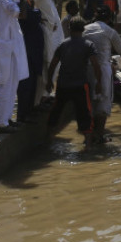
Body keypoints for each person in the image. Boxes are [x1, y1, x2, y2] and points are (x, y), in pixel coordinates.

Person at [46, 16, 102, 150]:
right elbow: (96, 65)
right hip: (80, 86)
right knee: (85, 113)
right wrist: (99, 82)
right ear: (83, 29)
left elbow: (52, 65)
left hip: (63, 85)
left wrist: (49, 81)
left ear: (69, 29)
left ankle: (47, 141)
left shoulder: (63, 45)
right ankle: (88, 145)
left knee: (56, 111)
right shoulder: (88, 45)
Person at [84, 6, 121, 142]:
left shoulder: (85, 29)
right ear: (108, 18)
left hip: (86, 69)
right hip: (102, 69)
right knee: (103, 100)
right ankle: (99, 135)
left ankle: (90, 134)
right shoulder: (109, 31)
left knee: (89, 100)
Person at [0, 0, 29, 133]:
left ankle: (7, 119)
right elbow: (21, 14)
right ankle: (0, 123)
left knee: (13, 85)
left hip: (13, 50)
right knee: (4, 86)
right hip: (6, 51)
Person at [16, 0, 46, 124]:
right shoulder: (21, 4)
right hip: (28, 50)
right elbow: (31, 17)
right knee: (26, 84)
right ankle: (23, 114)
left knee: (34, 81)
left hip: (34, 50)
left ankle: (30, 109)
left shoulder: (27, 4)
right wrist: (35, 11)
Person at [32, 0, 62, 105]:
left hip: (53, 34)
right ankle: (44, 96)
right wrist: (44, 20)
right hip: (49, 34)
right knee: (50, 64)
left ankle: (45, 95)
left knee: (52, 64)